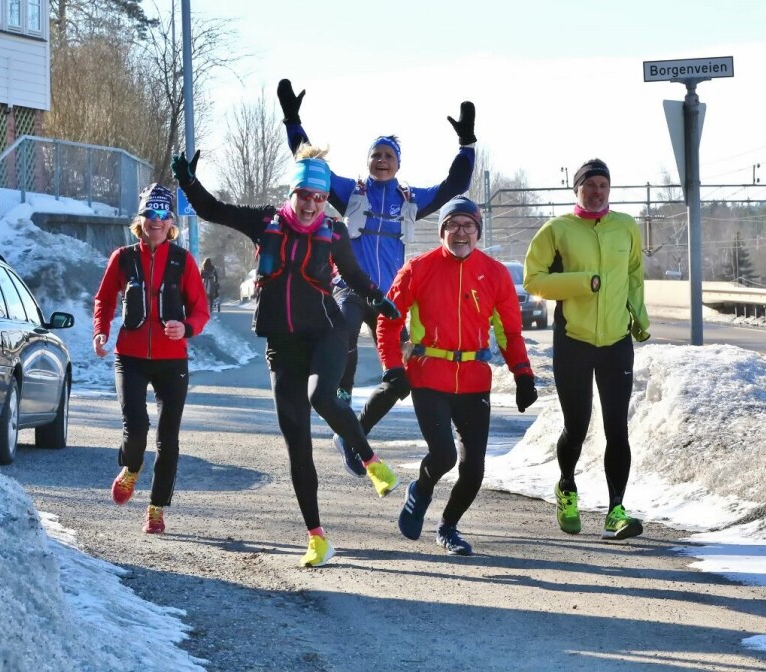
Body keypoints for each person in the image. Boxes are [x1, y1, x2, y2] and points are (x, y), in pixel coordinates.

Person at [171, 144, 402, 568]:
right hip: (282, 344)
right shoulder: (266, 221)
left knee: (321, 397)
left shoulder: (333, 231)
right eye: (305, 195)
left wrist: (378, 298)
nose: (313, 204)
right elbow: (212, 209)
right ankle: (316, 538)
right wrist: (187, 180)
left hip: (327, 334)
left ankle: (369, 460)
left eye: (319, 196)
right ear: (293, 192)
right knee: (297, 443)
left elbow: (352, 274)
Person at [276, 79, 476, 478]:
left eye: (388, 156)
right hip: (350, 288)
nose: (382, 160)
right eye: (376, 155)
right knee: (343, 336)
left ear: (398, 163)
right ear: (368, 161)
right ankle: (340, 404)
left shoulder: (410, 199)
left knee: (401, 378)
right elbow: (311, 165)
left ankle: (354, 432)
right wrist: (292, 120)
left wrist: (467, 145)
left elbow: (456, 185)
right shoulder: (352, 191)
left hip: (390, 299)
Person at [380, 196, 538, 556]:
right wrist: (392, 368)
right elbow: (388, 320)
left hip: (473, 380)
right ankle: (420, 490)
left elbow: (510, 333)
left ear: (478, 232)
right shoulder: (417, 269)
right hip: (428, 375)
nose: (461, 232)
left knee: (474, 469)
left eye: (468, 225)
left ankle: (449, 526)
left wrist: (523, 374)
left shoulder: (495, 273)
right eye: (454, 225)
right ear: (443, 232)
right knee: (443, 455)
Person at [522, 159, 650, 541]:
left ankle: (616, 510)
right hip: (573, 340)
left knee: (617, 429)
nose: (597, 192)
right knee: (576, 427)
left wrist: (639, 317)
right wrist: (582, 283)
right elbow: (533, 279)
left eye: (603, 185)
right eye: (590, 185)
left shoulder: (626, 226)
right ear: (577, 189)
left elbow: (633, 275)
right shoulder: (557, 230)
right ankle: (566, 487)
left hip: (616, 342)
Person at [93, 183, 210, 535]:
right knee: (136, 429)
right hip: (129, 357)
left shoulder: (183, 260)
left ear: (171, 222)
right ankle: (130, 468)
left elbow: (201, 311)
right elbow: (104, 299)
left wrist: (186, 328)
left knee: (168, 439)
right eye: (149, 214)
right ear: (140, 219)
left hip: (172, 360)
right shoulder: (123, 258)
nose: (155, 221)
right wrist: (101, 330)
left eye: (162, 215)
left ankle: (156, 509)